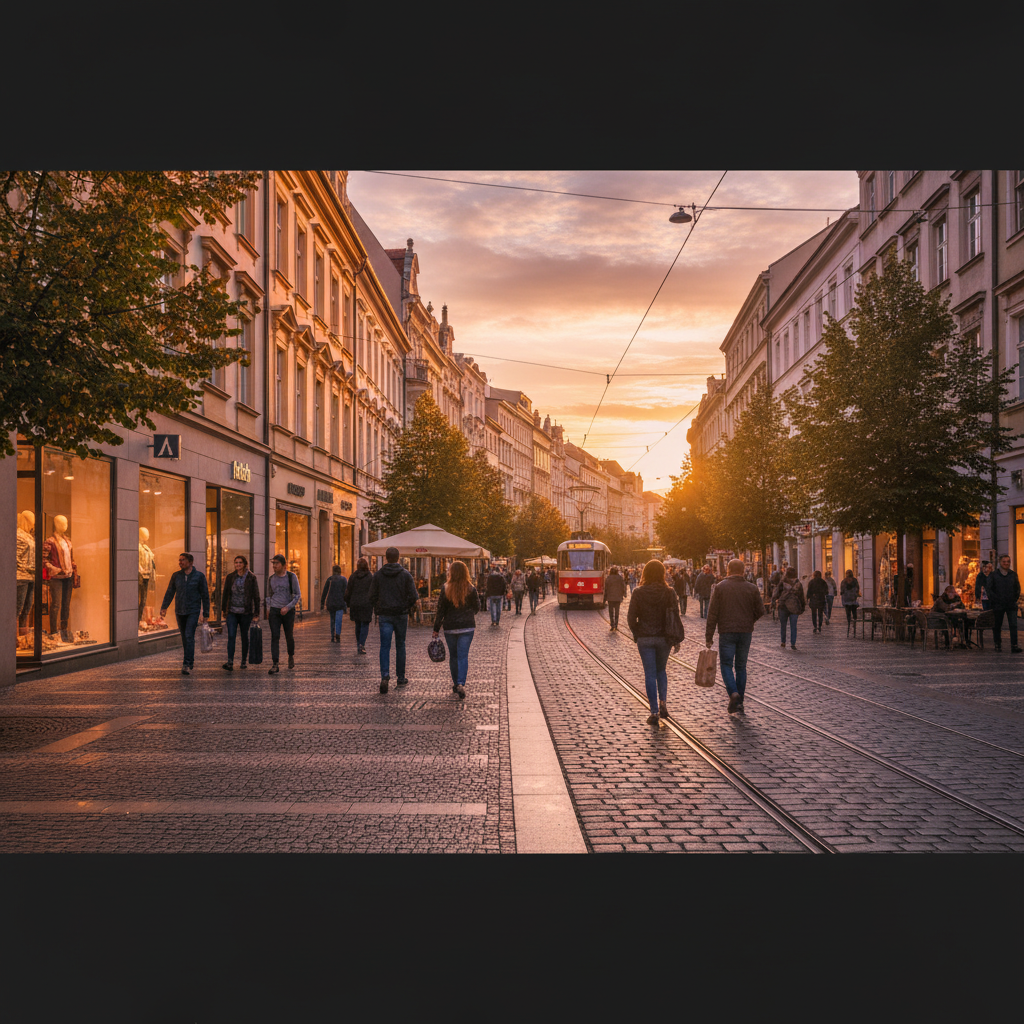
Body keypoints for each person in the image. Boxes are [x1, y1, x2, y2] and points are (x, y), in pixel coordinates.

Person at [705, 558, 765, 714]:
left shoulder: (720, 588)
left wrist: (709, 635)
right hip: (745, 632)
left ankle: (733, 693)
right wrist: (749, 620)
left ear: (728, 571)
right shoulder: (751, 588)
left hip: (726, 632)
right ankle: (740, 702)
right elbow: (760, 611)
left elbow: (712, 614)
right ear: (743, 570)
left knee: (726, 665)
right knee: (741, 666)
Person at [626, 559, 682, 725]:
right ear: (662, 573)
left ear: (645, 574)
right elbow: (675, 616)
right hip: (664, 638)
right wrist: (675, 638)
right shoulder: (669, 592)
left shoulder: (638, 592)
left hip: (645, 637)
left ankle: (654, 711)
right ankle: (663, 702)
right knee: (661, 671)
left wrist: (637, 631)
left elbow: (630, 617)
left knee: (650, 673)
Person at [368, 546, 420, 693]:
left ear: (386, 557)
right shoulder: (405, 575)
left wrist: (378, 607)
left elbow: (371, 596)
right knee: (400, 645)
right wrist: (406, 607)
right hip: (401, 614)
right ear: (398, 558)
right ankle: (401, 676)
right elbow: (414, 596)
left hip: (385, 614)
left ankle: (385, 676)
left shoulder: (378, 575)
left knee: (384, 646)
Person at [432, 560, 480, 700]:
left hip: (450, 627)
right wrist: (468, 613)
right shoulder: (471, 588)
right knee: (463, 656)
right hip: (467, 626)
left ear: (451, 572)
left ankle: (455, 683)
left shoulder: (446, 588)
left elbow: (440, 610)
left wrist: (436, 628)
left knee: (453, 656)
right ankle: (461, 683)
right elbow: (477, 607)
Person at [160, 552, 210, 676]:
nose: (180, 562)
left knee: (189, 635)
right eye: (179, 560)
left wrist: (206, 613)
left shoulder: (199, 576)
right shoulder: (176, 576)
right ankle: (189, 660)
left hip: (193, 610)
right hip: (180, 611)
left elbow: (205, 595)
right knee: (184, 637)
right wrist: (164, 607)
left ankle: (187, 663)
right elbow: (170, 592)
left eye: (183, 560)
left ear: (190, 562)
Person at [222, 555, 260, 670]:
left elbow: (256, 596)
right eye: (236, 563)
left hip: (246, 612)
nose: (238, 565)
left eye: (240, 563)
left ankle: (243, 661)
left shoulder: (251, 577)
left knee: (244, 636)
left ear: (245, 564)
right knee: (231, 636)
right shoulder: (230, 577)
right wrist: (224, 609)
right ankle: (230, 662)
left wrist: (256, 613)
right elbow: (226, 594)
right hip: (232, 611)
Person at [266, 554, 301, 674]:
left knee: (289, 636)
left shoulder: (292, 577)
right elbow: (268, 595)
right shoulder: (271, 579)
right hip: (274, 610)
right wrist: (268, 607)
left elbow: (297, 595)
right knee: (275, 636)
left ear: (283, 565)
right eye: (273, 563)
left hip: (288, 611)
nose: (274, 566)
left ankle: (291, 655)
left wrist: (288, 607)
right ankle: (275, 663)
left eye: (276, 563)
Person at [988, 555, 1022, 653]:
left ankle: (1014, 645)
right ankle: (997, 645)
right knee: (997, 625)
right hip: (998, 604)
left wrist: (1014, 599)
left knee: (1013, 625)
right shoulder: (994, 575)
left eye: (1008, 561)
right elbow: (989, 589)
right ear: (1000, 562)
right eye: (1004, 561)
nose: (1006, 563)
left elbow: (1017, 588)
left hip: (1011, 604)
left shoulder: (1013, 574)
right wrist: (995, 600)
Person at [345, 558, 374, 655]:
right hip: (366, 603)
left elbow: (348, 590)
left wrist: (348, 603)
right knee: (365, 624)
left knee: (358, 624)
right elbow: (373, 590)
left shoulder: (353, 576)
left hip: (355, 603)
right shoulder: (370, 576)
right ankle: (362, 643)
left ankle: (359, 643)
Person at [773, 566, 805, 650]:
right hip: (794, 606)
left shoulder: (782, 582)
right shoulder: (798, 584)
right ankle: (793, 643)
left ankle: (783, 642)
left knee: (783, 625)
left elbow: (776, 594)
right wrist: (802, 607)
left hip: (783, 606)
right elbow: (801, 596)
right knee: (793, 626)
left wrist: (774, 602)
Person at [931, 584, 966, 648]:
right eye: (950, 592)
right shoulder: (941, 599)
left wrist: (958, 604)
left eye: (953, 592)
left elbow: (962, 606)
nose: (952, 594)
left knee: (962, 621)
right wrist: (953, 605)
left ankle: (963, 641)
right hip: (939, 619)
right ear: (946, 592)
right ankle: (948, 642)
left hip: (950, 617)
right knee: (948, 622)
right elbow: (946, 608)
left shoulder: (956, 598)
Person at [320, 564, 348, 643]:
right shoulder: (343, 579)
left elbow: (325, 592)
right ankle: (338, 634)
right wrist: (346, 604)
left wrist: (322, 603)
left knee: (332, 619)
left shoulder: (330, 579)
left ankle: (333, 636)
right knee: (338, 620)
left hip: (331, 603)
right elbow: (346, 592)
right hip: (340, 603)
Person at [605, 566, 627, 630]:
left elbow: (606, 588)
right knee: (617, 612)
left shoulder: (608, 578)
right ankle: (616, 624)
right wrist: (624, 594)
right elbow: (623, 586)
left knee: (611, 612)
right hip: (618, 598)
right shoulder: (620, 578)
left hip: (610, 598)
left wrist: (605, 597)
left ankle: (612, 624)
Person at [840, 570, 861, 636]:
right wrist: (855, 594)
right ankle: (854, 623)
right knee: (854, 612)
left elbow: (842, 590)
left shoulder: (844, 581)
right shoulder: (854, 580)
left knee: (848, 613)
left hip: (846, 600)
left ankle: (849, 623)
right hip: (853, 599)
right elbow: (857, 588)